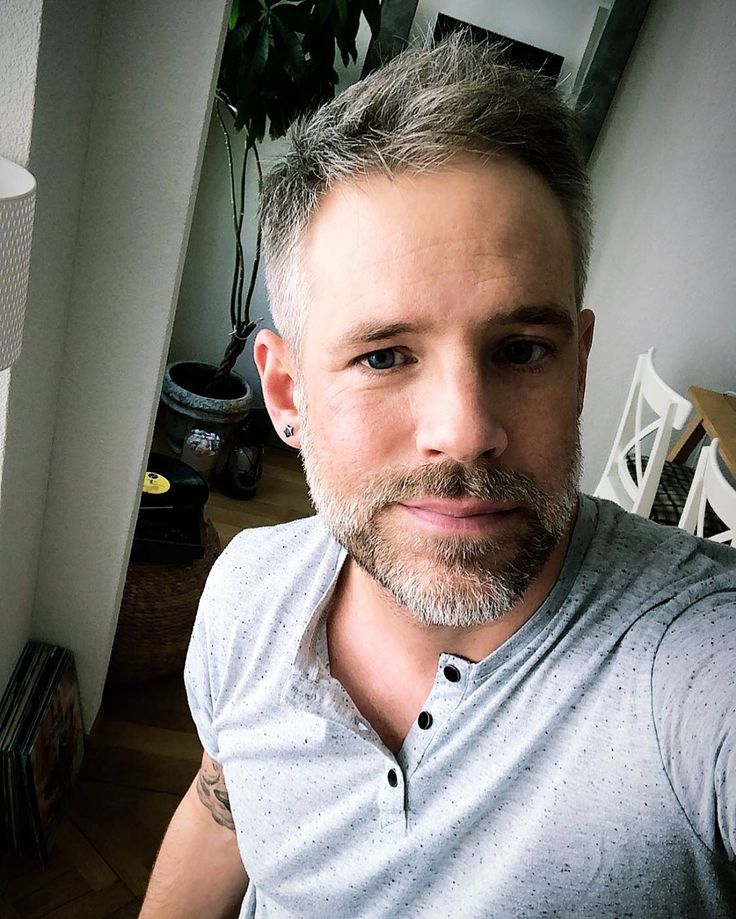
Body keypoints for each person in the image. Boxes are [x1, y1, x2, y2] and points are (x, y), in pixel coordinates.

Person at [140, 34, 736, 918]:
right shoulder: (245, 595)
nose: (465, 429)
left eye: (521, 350)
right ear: (287, 393)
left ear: (578, 367)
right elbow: (221, 809)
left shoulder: (691, 668)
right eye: (385, 355)